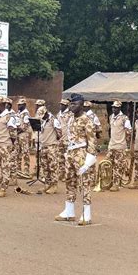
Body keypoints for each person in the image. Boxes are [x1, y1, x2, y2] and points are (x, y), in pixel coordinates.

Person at [55, 94, 96, 225]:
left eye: (74, 104)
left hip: (82, 153)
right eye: (71, 104)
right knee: (69, 181)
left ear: (81, 105)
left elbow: (92, 141)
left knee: (84, 183)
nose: (71, 106)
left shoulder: (87, 120)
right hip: (71, 152)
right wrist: (67, 152)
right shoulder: (71, 119)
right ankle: (69, 211)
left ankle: (86, 214)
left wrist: (89, 161)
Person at [105, 100, 132, 192]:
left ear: (119, 108)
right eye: (113, 107)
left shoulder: (125, 118)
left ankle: (116, 184)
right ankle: (109, 182)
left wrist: (126, 144)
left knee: (118, 165)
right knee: (108, 164)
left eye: (116, 107)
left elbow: (129, 132)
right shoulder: (111, 117)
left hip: (120, 146)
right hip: (111, 145)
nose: (113, 109)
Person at [35, 105, 62, 194]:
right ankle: (47, 184)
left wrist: (54, 141)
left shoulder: (53, 120)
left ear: (46, 112)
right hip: (44, 146)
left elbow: (59, 133)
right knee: (45, 166)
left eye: (43, 115)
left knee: (53, 166)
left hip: (52, 146)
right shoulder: (43, 120)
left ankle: (54, 185)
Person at [16, 97, 32, 178]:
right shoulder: (18, 113)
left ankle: (26, 170)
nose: (18, 106)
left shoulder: (26, 114)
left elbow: (24, 127)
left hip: (23, 135)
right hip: (18, 135)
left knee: (25, 152)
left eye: (20, 105)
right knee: (18, 152)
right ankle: (18, 170)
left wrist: (17, 130)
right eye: (18, 105)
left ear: (24, 105)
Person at [4, 97, 18, 187]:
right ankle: (6, 177)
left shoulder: (12, 114)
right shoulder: (2, 114)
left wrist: (13, 141)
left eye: (5, 104)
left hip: (11, 140)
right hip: (4, 140)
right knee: (6, 160)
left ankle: (13, 178)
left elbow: (15, 127)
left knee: (12, 160)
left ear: (9, 105)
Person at [57, 98, 71, 181]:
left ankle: (67, 174)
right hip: (60, 139)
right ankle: (61, 173)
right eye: (60, 104)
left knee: (67, 158)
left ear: (66, 106)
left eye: (62, 105)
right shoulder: (59, 113)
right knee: (60, 158)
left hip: (67, 139)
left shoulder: (70, 114)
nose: (61, 106)